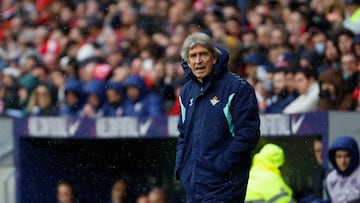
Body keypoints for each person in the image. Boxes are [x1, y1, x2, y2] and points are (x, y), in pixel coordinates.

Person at [174, 32, 260, 202]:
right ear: (187, 61)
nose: (198, 60)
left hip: (224, 187)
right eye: (193, 56)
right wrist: (182, 168)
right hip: (194, 185)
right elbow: (183, 135)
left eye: (203, 54)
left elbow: (248, 134)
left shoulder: (237, 87)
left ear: (214, 58)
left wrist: (223, 165)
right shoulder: (186, 92)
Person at [326, 136, 360, 203]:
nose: (342, 161)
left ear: (354, 156)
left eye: (346, 156)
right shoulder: (331, 178)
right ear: (334, 158)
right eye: (339, 156)